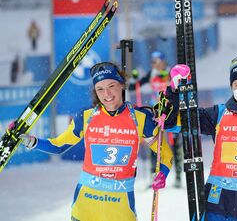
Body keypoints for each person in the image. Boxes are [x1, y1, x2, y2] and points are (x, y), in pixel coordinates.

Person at [16, 62, 173, 221]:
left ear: (121, 85)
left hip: (121, 211)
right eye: (100, 89)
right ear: (95, 92)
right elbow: (58, 146)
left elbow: (165, 154)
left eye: (111, 85)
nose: (107, 94)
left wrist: (162, 174)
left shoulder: (141, 118)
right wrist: (33, 141)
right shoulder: (86, 117)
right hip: (84, 209)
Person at [164, 53, 237, 221]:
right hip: (218, 199)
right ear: (231, 87)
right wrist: (175, 92)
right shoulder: (219, 113)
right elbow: (174, 122)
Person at [130, 50, 183, 187]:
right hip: (157, 114)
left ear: (163, 61)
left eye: (157, 62)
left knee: (174, 144)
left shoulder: (172, 73)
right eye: (153, 62)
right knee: (155, 144)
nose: (155, 65)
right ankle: (154, 176)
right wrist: (134, 79)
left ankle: (178, 177)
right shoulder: (151, 74)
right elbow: (133, 86)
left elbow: (181, 87)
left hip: (171, 113)